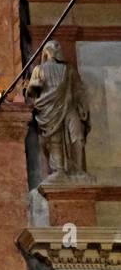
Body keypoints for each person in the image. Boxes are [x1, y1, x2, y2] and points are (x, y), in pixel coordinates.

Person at [26, 40, 91, 178]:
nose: (59, 48)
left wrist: (82, 105)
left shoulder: (69, 69)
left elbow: (78, 88)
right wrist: (34, 86)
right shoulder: (39, 69)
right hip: (49, 109)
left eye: (59, 46)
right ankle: (59, 170)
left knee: (77, 134)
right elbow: (30, 92)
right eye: (56, 46)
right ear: (48, 51)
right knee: (55, 139)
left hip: (69, 106)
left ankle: (79, 169)